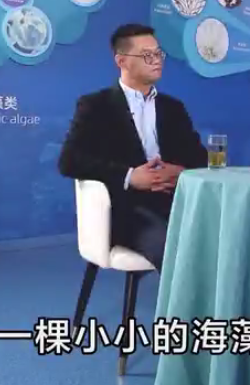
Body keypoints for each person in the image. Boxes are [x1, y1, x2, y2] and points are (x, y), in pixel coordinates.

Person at [57, 23, 207, 272]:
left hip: (176, 201)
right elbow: (69, 161)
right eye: (147, 55)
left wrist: (179, 171)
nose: (156, 60)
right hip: (128, 210)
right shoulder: (96, 106)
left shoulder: (173, 108)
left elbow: (199, 158)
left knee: (223, 235)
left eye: (158, 53)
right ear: (122, 61)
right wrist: (130, 176)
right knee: (176, 248)